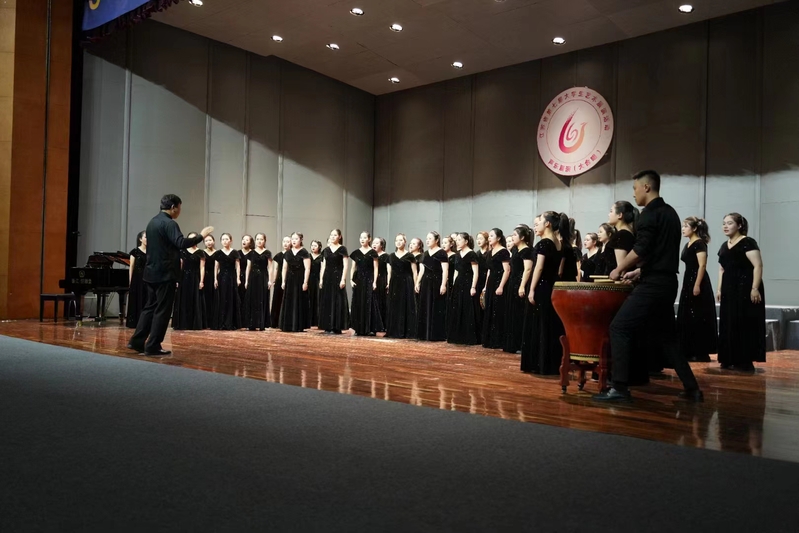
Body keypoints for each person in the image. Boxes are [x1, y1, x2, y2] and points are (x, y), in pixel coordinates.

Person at [594, 170, 702, 402]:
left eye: (635, 188)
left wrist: (619, 268)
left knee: (619, 328)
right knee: (667, 337)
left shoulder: (649, 214)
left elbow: (641, 249)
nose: (633, 194)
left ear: (646, 187)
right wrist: (638, 271)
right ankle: (692, 389)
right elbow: (661, 252)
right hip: (667, 281)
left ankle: (619, 388)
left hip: (653, 285)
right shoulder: (671, 213)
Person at [128, 194, 212, 356]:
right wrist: (201, 236)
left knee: (149, 308)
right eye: (179, 208)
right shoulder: (170, 223)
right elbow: (181, 243)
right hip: (165, 274)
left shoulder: (152, 222)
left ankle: (137, 341)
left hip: (150, 272)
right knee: (163, 310)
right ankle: (153, 345)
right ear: (173, 207)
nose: (179, 211)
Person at [717, 213, 766, 372]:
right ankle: (729, 358)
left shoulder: (748, 242)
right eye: (724, 223)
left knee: (744, 322)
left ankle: (744, 360)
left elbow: (758, 266)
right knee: (728, 321)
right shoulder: (724, 245)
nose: (725, 226)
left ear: (739, 225)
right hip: (729, 288)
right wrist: (719, 289)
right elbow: (722, 269)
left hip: (745, 288)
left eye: (729, 223)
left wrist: (755, 288)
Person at [520, 214, 567, 374]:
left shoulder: (544, 243)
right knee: (548, 323)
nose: (536, 225)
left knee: (539, 323)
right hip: (552, 285)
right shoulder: (558, 243)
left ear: (547, 224)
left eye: (539, 222)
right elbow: (558, 270)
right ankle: (550, 363)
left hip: (541, 286)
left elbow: (539, 267)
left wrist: (532, 289)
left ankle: (538, 363)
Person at [677, 217, 717, 362]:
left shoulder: (699, 243)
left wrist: (697, 284)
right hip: (688, 280)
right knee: (688, 314)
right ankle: (688, 349)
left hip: (698, 280)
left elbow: (702, 265)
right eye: (683, 226)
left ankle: (700, 351)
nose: (683, 229)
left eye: (686, 226)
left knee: (698, 314)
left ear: (694, 228)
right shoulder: (688, 243)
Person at [503, 225, 534, 354]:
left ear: (522, 237)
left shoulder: (527, 251)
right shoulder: (515, 250)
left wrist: (522, 286)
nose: (513, 237)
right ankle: (512, 343)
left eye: (515, 235)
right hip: (513, 282)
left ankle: (520, 344)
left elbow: (528, 269)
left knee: (519, 313)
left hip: (521, 283)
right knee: (512, 312)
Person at [447, 233, 482, 345]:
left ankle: (468, 337)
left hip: (468, 283)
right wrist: (454, 283)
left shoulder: (471, 254)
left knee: (468, 308)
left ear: (466, 241)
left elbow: (476, 272)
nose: (457, 242)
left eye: (459, 239)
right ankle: (458, 336)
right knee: (458, 307)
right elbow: (456, 271)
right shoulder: (457, 255)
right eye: (456, 240)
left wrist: (473, 287)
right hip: (459, 283)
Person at [416, 231, 449, 341]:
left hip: (437, 282)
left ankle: (436, 335)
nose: (427, 240)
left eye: (430, 238)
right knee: (425, 305)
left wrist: (443, 284)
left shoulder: (441, 253)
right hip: (426, 282)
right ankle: (425, 334)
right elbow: (422, 270)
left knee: (436, 307)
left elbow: (445, 270)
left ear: (436, 240)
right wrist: (417, 282)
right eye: (427, 238)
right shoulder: (425, 254)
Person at [481, 228, 511, 349]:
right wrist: (485, 286)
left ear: (498, 238)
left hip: (499, 282)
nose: (489, 238)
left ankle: (498, 340)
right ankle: (489, 339)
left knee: (498, 310)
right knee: (490, 308)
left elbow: (506, 270)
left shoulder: (503, 251)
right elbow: (489, 270)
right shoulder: (490, 252)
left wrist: (501, 286)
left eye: (492, 236)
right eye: (489, 236)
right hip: (491, 282)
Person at [385, 234, 418, 339]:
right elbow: (389, 272)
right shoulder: (391, 256)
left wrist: (416, 284)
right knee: (394, 306)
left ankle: (406, 331)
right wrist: (388, 283)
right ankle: (394, 331)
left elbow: (414, 272)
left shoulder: (410, 256)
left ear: (405, 242)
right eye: (396, 240)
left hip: (407, 282)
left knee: (406, 305)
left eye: (400, 240)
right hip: (395, 282)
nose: (398, 242)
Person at [350, 231, 383, 336]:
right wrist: (351, 279)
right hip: (358, 280)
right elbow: (353, 267)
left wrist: (374, 282)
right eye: (361, 237)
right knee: (358, 302)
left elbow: (376, 268)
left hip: (369, 279)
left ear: (369, 239)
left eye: (364, 238)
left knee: (370, 303)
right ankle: (358, 328)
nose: (362, 239)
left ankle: (370, 328)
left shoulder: (373, 253)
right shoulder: (356, 253)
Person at [318, 229, 350, 334]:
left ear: (339, 237)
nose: (332, 237)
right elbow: (323, 266)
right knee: (327, 300)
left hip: (338, 277)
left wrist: (343, 279)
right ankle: (327, 325)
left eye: (335, 235)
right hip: (327, 277)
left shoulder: (342, 249)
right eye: (331, 235)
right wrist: (321, 279)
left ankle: (337, 326)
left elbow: (345, 265)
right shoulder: (326, 250)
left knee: (337, 300)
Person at [172, 232, 205, 330]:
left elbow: (202, 268)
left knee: (194, 299)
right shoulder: (182, 251)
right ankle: (183, 323)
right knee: (183, 299)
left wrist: (201, 281)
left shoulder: (200, 252)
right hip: (184, 277)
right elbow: (180, 266)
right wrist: (177, 279)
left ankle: (193, 324)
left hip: (195, 278)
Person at [279, 232, 311, 332]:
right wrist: (283, 281)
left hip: (299, 279)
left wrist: (305, 282)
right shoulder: (288, 253)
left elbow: (307, 268)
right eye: (292, 239)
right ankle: (288, 325)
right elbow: (284, 268)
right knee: (289, 300)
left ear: (301, 240)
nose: (294, 241)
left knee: (299, 301)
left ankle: (298, 325)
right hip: (290, 279)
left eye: (296, 239)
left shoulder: (304, 252)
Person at [243, 233, 273, 331]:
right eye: (257, 239)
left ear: (264, 241)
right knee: (252, 299)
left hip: (263, 277)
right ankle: (251, 323)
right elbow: (248, 267)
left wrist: (270, 280)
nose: (259, 241)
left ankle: (261, 323)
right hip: (253, 278)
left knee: (262, 299)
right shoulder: (251, 253)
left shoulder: (267, 253)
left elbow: (270, 268)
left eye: (261, 239)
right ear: (255, 241)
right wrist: (246, 281)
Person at [213, 233, 242, 330]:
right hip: (221, 278)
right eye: (223, 239)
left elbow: (238, 266)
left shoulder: (235, 252)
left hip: (231, 278)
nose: (225, 241)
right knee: (222, 298)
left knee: (231, 298)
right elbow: (216, 267)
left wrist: (238, 278)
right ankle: (221, 322)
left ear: (231, 240)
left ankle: (230, 322)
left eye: (226, 239)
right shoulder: (218, 253)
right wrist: (215, 279)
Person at [126, 231, 147, 329]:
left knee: (146, 299)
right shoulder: (135, 252)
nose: (147, 239)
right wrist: (131, 281)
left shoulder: (151, 252)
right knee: (136, 299)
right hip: (137, 279)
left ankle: (145, 322)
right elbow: (131, 267)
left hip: (147, 278)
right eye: (146, 237)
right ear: (140, 239)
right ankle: (135, 322)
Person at [270, 237, 290, 327]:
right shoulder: (278, 256)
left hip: (289, 278)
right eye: (284, 241)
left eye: (288, 241)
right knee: (277, 299)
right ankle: (275, 322)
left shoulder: (291, 254)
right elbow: (276, 268)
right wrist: (273, 280)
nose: (285, 243)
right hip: (279, 279)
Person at [372, 237, 390, 331]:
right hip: (372, 280)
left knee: (382, 301)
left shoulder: (386, 256)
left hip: (382, 280)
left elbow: (388, 271)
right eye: (373, 243)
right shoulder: (371, 255)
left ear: (382, 245)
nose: (374, 244)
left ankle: (383, 325)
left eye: (377, 243)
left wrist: (388, 282)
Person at [201, 234, 216, 328]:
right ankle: (205, 321)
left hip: (214, 277)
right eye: (206, 241)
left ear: (214, 241)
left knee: (214, 298)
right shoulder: (202, 252)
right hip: (205, 277)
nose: (208, 242)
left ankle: (213, 321)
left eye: (210, 240)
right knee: (205, 298)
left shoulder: (217, 253)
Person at [308, 240, 324, 328]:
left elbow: (322, 269)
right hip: (309, 279)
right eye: (312, 245)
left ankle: (316, 320)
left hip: (317, 279)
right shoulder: (308, 256)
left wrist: (321, 280)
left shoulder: (321, 257)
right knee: (309, 298)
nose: (313, 247)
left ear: (319, 247)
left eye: (315, 246)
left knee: (317, 298)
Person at [238, 235, 253, 320]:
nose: (244, 241)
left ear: (250, 243)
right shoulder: (238, 253)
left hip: (250, 276)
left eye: (247, 240)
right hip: (239, 276)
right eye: (243, 239)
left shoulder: (253, 253)